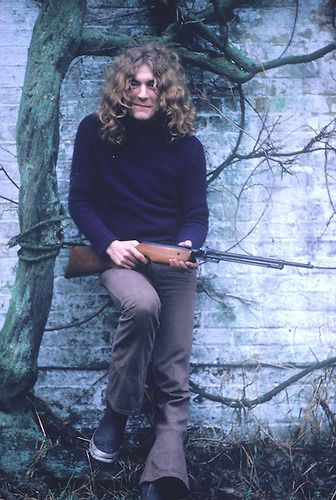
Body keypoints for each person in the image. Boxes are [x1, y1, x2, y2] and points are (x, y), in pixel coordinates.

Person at [68, 44, 208, 500]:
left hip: (171, 261)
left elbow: (196, 215)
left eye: (153, 84)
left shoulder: (187, 145)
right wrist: (109, 243)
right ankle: (116, 415)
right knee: (142, 303)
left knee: (173, 371)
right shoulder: (94, 132)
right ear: (121, 86)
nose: (143, 92)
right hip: (118, 257)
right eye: (135, 83)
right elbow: (81, 201)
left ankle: (164, 476)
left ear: (165, 90)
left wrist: (188, 244)